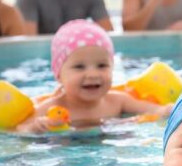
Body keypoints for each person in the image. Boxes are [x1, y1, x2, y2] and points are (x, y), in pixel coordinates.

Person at [16, 20, 171, 133]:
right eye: (79, 67)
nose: (92, 74)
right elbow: (19, 129)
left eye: (102, 66)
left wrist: (167, 110)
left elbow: (156, 111)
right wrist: (33, 128)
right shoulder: (51, 107)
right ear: (58, 75)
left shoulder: (118, 101)